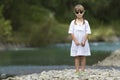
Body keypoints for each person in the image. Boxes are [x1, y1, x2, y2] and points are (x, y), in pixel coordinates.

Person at [68, 4, 91, 73]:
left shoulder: (86, 22)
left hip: (83, 42)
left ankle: (83, 70)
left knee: (83, 56)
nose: (79, 14)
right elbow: (71, 32)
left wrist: (84, 40)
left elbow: (87, 32)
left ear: (83, 12)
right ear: (75, 13)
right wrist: (75, 41)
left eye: (81, 12)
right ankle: (77, 71)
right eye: (77, 12)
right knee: (77, 56)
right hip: (76, 42)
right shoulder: (73, 22)